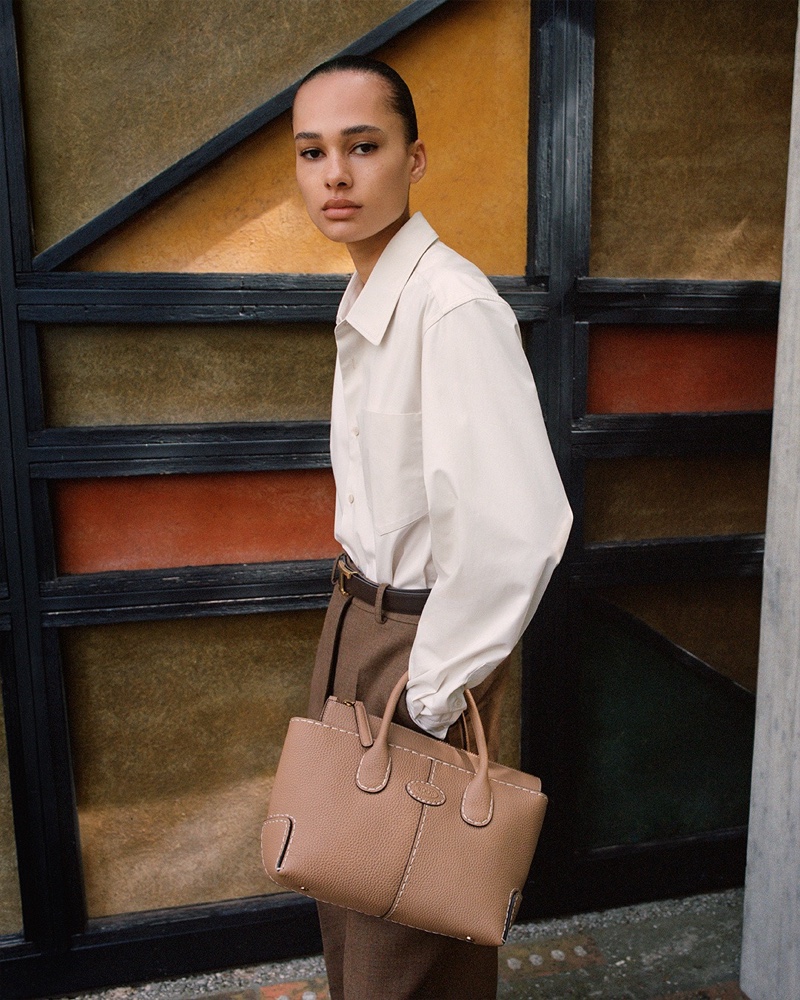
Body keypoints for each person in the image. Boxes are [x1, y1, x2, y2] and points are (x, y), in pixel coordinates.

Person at [292, 55, 572, 1000]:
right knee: (356, 903)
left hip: (418, 647)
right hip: (358, 626)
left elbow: (521, 522)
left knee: (403, 941)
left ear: (414, 160)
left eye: (362, 146)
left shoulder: (450, 307)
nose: (335, 174)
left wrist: (432, 691)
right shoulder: (372, 295)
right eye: (313, 151)